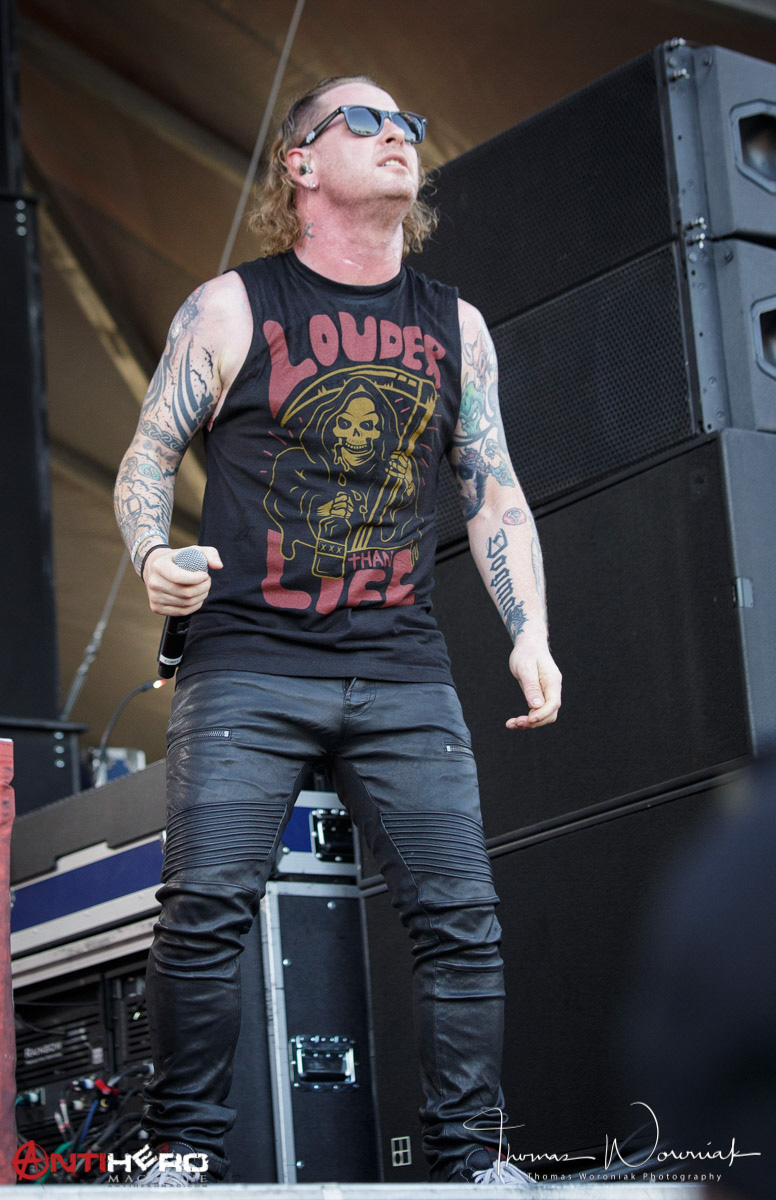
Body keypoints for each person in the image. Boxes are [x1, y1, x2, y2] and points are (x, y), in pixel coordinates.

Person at [114, 74, 561, 1188]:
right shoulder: (232, 307)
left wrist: (529, 631)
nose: (395, 133)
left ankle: (472, 1163)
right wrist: (153, 556)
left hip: (399, 662)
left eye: (406, 121)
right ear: (302, 163)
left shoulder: (454, 324)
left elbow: (493, 491)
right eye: (362, 119)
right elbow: (146, 457)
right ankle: (181, 1155)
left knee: (461, 916)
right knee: (205, 908)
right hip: (247, 660)